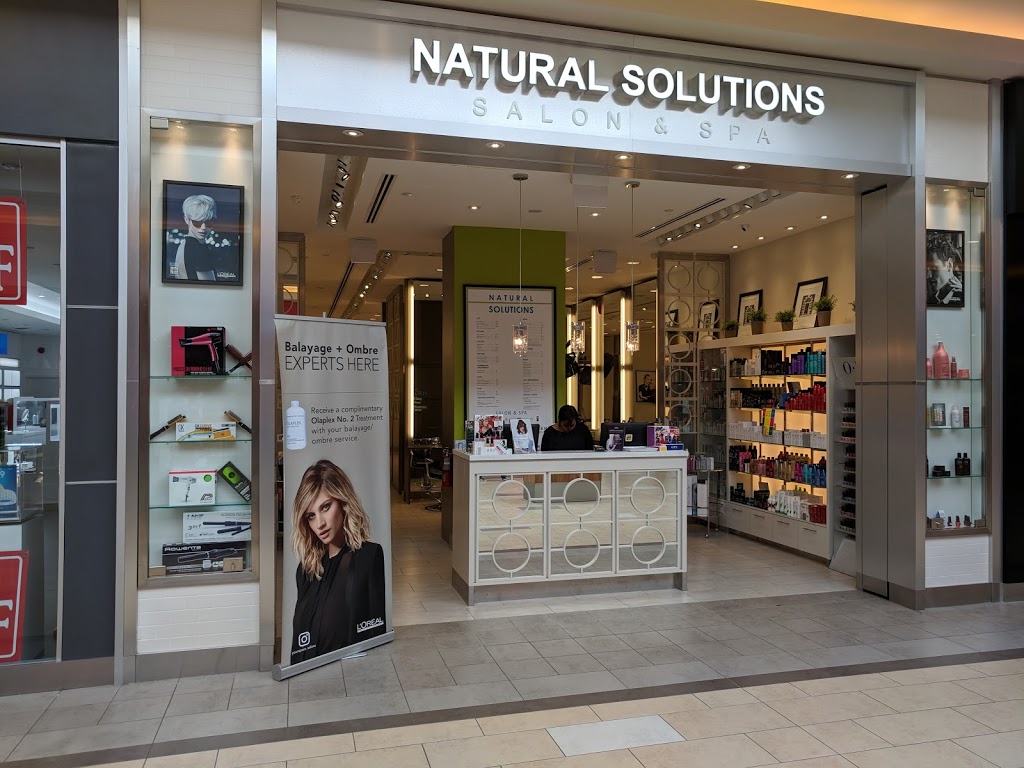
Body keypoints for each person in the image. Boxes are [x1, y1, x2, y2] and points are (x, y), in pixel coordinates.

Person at [290, 459, 386, 664]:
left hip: (352, 673)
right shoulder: (306, 570)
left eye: (325, 507)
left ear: (343, 503)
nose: (320, 524)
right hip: (308, 676)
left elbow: (376, 632)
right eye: (311, 516)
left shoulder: (369, 556)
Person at [169, 194, 218, 282]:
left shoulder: (184, 244)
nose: (203, 227)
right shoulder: (199, 250)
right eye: (197, 222)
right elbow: (210, 287)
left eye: (208, 222)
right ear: (186, 219)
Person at [926, 240, 964, 306]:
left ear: (949, 265)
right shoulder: (930, 300)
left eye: (934, 268)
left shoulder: (965, 297)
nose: (928, 275)